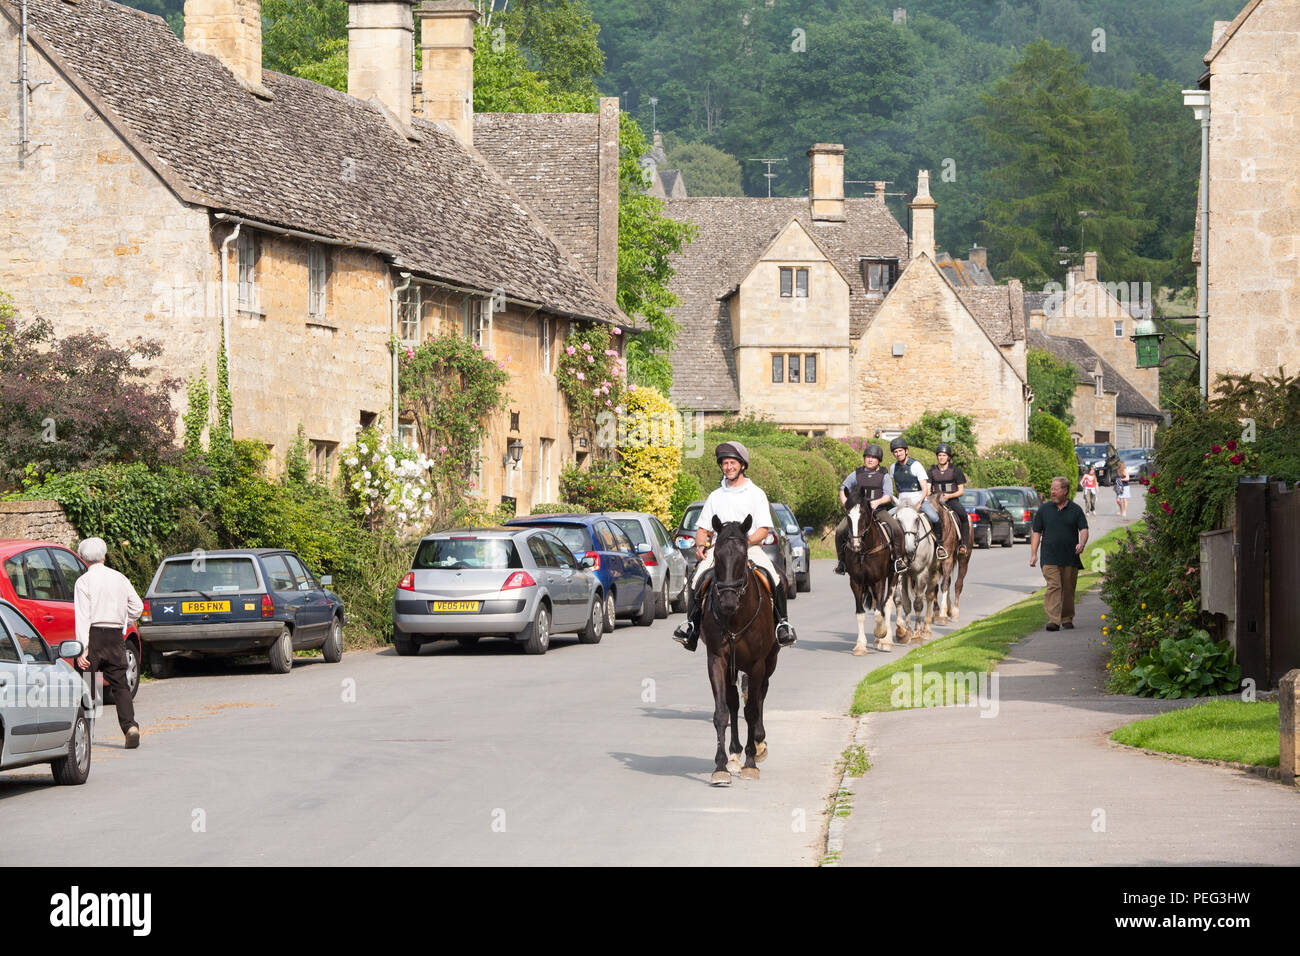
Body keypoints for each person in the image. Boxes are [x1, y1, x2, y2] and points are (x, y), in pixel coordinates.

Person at [672, 442, 796, 652]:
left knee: (775, 578)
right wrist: (701, 545)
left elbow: (763, 530)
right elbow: (703, 529)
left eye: (732, 463)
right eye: (725, 463)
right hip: (720, 551)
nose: (728, 467)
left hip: (749, 547)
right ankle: (692, 627)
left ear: (742, 465)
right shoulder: (715, 496)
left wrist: (742, 544)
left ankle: (782, 624)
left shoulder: (756, 493)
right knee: (696, 579)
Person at [73, 537, 144, 748]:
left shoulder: (83, 582)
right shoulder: (119, 578)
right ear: (104, 556)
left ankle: (87, 732)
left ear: (83, 559)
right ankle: (130, 727)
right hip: (115, 636)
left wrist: (82, 648)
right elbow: (137, 607)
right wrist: (124, 622)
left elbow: (83, 617)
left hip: (93, 635)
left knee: (87, 684)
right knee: (120, 684)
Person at [833, 444, 907, 575]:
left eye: (873, 457)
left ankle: (898, 559)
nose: (870, 459)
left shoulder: (884, 476)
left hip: (878, 510)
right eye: (867, 457)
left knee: (896, 529)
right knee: (839, 531)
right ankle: (841, 562)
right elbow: (843, 489)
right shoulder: (856, 474)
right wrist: (846, 504)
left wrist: (877, 502)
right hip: (858, 513)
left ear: (879, 460)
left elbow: (888, 496)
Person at [1029, 477, 1090, 631]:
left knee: (1068, 589)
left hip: (1070, 556)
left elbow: (1084, 529)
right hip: (1049, 556)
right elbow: (1036, 532)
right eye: (1052, 489)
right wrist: (1034, 554)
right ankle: (1053, 620)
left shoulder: (1075, 510)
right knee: (1054, 586)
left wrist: (1082, 544)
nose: (1052, 492)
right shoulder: (1044, 510)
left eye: (1056, 489)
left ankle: (1067, 618)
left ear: (1065, 491)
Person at [887, 437, 945, 557]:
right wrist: (899, 502)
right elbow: (897, 487)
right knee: (887, 519)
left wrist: (919, 503)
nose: (898, 454)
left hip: (918, 501)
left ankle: (939, 546)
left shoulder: (916, 465)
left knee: (935, 518)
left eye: (900, 451)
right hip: (902, 504)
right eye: (895, 452)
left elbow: (925, 488)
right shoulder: (893, 467)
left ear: (906, 451)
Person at [928, 443, 972, 556]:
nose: (941, 457)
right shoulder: (931, 471)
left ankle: (964, 544)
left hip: (951, 500)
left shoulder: (956, 471)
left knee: (963, 515)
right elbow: (928, 489)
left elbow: (961, 491)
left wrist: (948, 496)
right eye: (939, 455)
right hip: (935, 501)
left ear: (948, 457)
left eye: (944, 455)